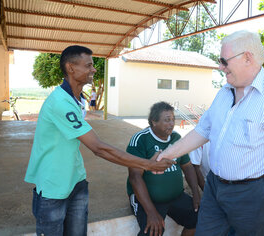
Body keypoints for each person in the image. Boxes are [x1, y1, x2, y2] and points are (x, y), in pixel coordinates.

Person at [157, 30, 264, 235]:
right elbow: (203, 131)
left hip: (255, 193)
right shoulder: (224, 93)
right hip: (214, 187)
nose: (220, 67)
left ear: (247, 58)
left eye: (224, 61)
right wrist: (168, 154)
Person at [24, 45, 174, 236]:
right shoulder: (60, 103)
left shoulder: (76, 99)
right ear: (71, 68)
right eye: (88, 66)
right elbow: (98, 148)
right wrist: (147, 164)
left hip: (75, 182)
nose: (93, 69)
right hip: (53, 187)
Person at [127, 101, 200, 236]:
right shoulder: (141, 139)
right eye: (167, 120)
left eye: (173, 119)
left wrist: (195, 193)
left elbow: (187, 166)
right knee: (152, 231)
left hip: (176, 197)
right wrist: (151, 212)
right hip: (148, 200)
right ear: (154, 122)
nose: (172, 123)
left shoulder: (176, 138)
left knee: (199, 219)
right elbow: (135, 177)